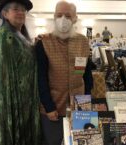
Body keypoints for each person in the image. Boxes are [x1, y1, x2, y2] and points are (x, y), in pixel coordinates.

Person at [35, 1, 93, 145]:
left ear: (75, 19)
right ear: (54, 17)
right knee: (53, 141)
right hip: (53, 105)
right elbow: (40, 78)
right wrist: (48, 106)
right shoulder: (44, 42)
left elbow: (87, 74)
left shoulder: (83, 41)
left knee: (82, 140)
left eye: (68, 16)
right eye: (59, 15)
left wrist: (88, 100)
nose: (63, 19)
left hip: (80, 103)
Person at [0, 0, 40, 144]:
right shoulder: (4, 35)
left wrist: (34, 44)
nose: (21, 12)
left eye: (23, 10)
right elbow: (5, 75)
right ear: (5, 14)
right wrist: (13, 108)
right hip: (15, 99)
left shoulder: (19, 34)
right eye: (15, 9)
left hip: (26, 96)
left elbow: (23, 56)